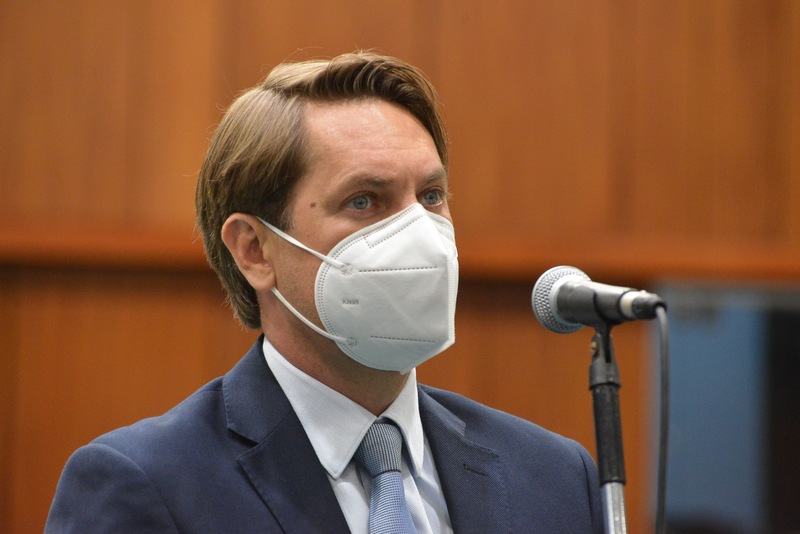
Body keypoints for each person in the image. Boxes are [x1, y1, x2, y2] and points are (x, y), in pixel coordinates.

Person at [46, 51, 603, 533]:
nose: (419, 233)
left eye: (431, 196)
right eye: (364, 201)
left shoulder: (554, 477)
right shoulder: (148, 482)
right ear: (254, 250)